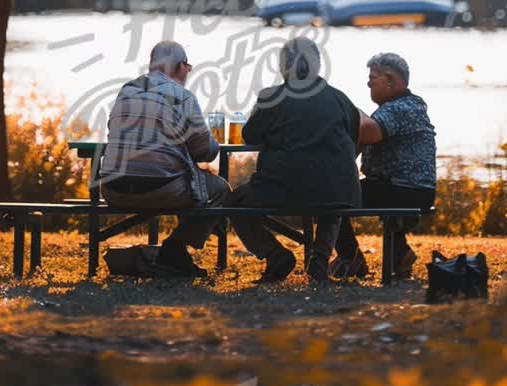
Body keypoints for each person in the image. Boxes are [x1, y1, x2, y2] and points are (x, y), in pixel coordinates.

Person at [226, 37, 361, 283]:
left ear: (282, 66)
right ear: (317, 65)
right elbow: (354, 135)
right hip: (339, 191)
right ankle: (318, 263)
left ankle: (275, 254)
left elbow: (250, 135)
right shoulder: (340, 98)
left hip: (283, 188)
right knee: (332, 197)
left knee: (234, 202)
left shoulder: (271, 97)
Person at [97, 40, 230, 277]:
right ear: (180, 67)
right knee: (219, 189)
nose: (188, 73)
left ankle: (172, 256)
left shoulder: (126, 91)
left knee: (186, 178)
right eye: (188, 68)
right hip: (162, 190)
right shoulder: (183, 97)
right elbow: (205, 151)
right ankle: (174, 250)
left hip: (111, 188)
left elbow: (112, 131)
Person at [332, 52, 436, 280]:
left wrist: (350, 109)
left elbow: (369, 131)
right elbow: (362, 141)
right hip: (409, 188)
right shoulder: (403, 107)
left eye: (373, 77)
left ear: (391, 80)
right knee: (354, 189)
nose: (368, 82)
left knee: (332, 197)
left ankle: (351, 260)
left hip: (404, 190)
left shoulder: (400, 109)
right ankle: (400, 255)